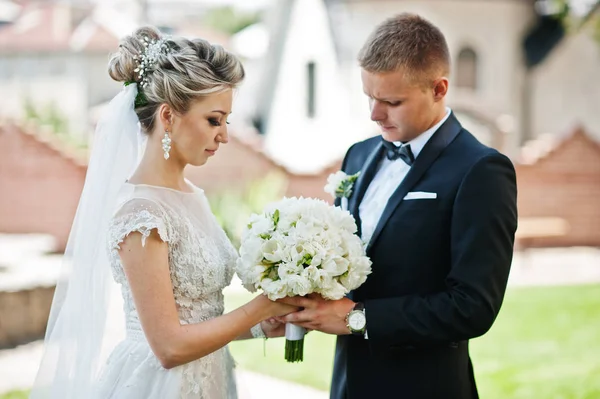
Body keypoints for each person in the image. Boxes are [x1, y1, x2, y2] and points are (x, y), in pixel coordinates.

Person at [30, 26, 296, 399]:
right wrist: (257, 308)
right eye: (213, 120)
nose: (224, 136)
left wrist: (260, 325)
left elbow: (199, 316)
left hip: (212, 378)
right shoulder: (141, 215)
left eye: (226, 121)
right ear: (168, 116)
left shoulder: (192, 195)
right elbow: (169, 347)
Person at [277, 13, 518, 399]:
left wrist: (359, 318)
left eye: (391, 101)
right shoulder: (358, 155)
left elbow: (472, 307)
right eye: (369, 97)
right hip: (348, 382)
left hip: (426, 386)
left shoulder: (481, 170)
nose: (375, 114)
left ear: (439, 89)